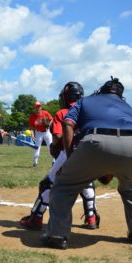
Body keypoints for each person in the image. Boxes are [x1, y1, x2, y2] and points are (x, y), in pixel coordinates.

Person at [41, 77, 132, 249]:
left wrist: (69, 158)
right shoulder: (127, 106)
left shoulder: (86, 100)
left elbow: (68, 124)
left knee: (63, 186)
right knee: (130, 189)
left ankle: (57, 235)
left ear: (101, 90)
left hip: (95, 142)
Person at [20, 82, 100, 230]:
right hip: (88, 153)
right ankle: (91, 217)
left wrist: (52, 145)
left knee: (48, 185)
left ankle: (36, 219)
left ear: (65, 97)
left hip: (68, 153)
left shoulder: (62, 112)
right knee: (86, 182)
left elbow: (57, 136)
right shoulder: (88, 112)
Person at [29, 102, 55, 167]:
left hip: (47, 132)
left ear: (41, 107)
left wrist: (49, 124)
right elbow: (31, 127)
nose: (38, 108)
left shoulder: (45, 113)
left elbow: (51, 119)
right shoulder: (32, 116)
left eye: (39, 106)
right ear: (34, 108)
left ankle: (54, 161)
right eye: (36, 106)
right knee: (37, 147)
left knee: (51, 146)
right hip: (38, 133)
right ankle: (35, 162)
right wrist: (32, 135)